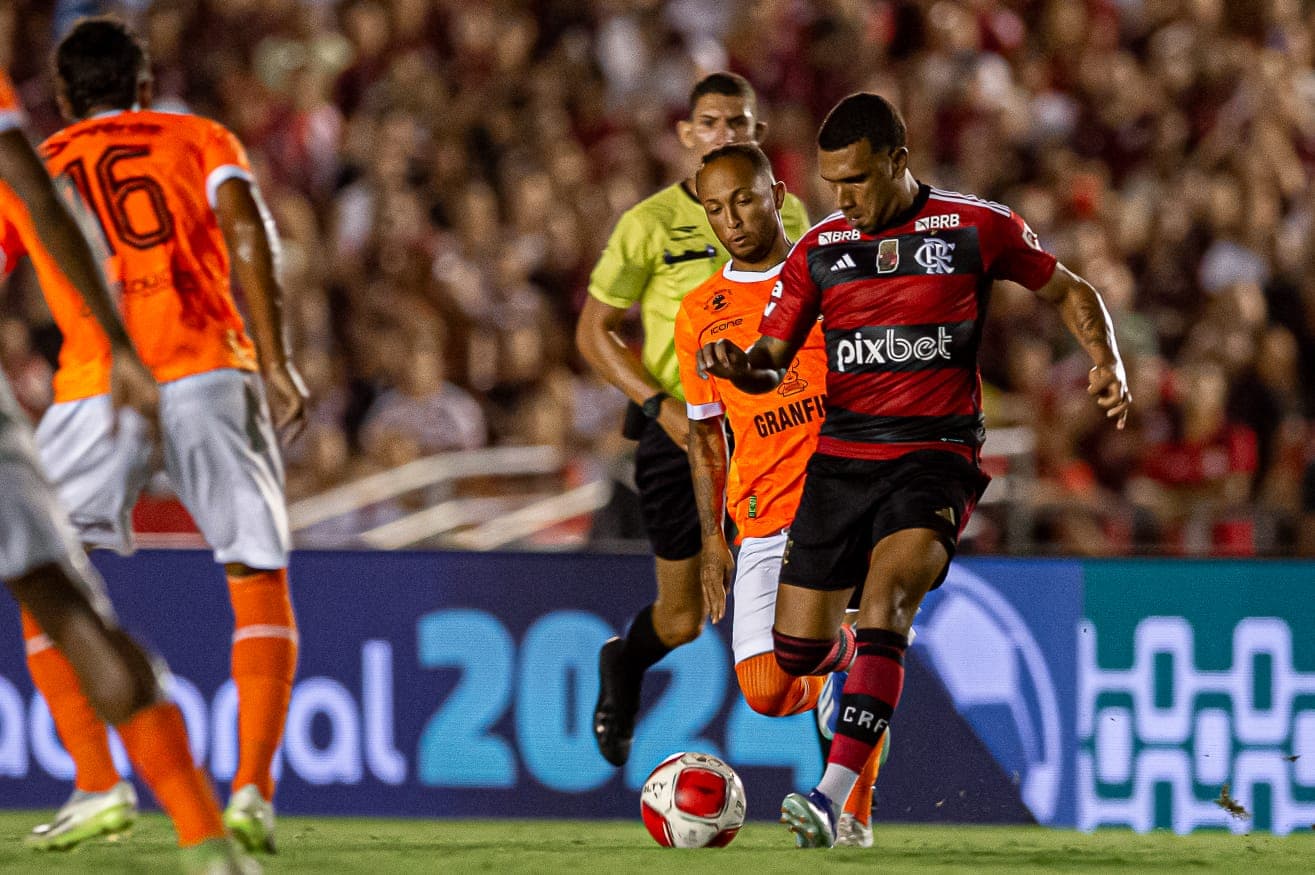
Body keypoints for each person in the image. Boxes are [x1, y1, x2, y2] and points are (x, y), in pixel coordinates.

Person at [699, 93, 1132, 848]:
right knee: (793, 653)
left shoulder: (975, 227)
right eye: (832, 183)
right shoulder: (819, 250)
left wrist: (1107, 359)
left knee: (888, 601)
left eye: (857, 180)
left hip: (934, 457)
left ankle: (831, 799)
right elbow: (771, 357)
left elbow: (1070, 289)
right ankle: (845, 664)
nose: (842, 199)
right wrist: (743, 367)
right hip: (841, 462)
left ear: (898, 161)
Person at [3, 17, 308, 855]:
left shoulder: (39, 160)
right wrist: (277, 358)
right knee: (255, 571)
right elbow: (246, 228)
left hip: (97, 383)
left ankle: (98, 780)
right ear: (143, 86)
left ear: (63, 97)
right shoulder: (199, 136)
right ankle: (252, 792)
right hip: (209, 367)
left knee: (43, 576)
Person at [577, 72, 810, 768]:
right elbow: (593, 332)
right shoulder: (647, 223)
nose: (723, 134)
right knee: (681, 617)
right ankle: (625, 662)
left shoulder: (792, 217)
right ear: (686, 134)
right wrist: (659, 406)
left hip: (775, 423)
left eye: (737, 123)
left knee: (815, 598)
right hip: (684, 427)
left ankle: (844, 766)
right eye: (710, 122)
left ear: (758, 135)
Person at [674, 142, 888, 847]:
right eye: (714, 208)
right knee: (767, 691)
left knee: (831, 652)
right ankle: (850, 656)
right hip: (761, 516)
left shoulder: (836, 273)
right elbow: (705, 436)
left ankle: (853, 812)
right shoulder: (699, 313)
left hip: (847, 505)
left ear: (776, 193)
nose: (731, 219)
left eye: (743, 199)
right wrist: (712, 541)